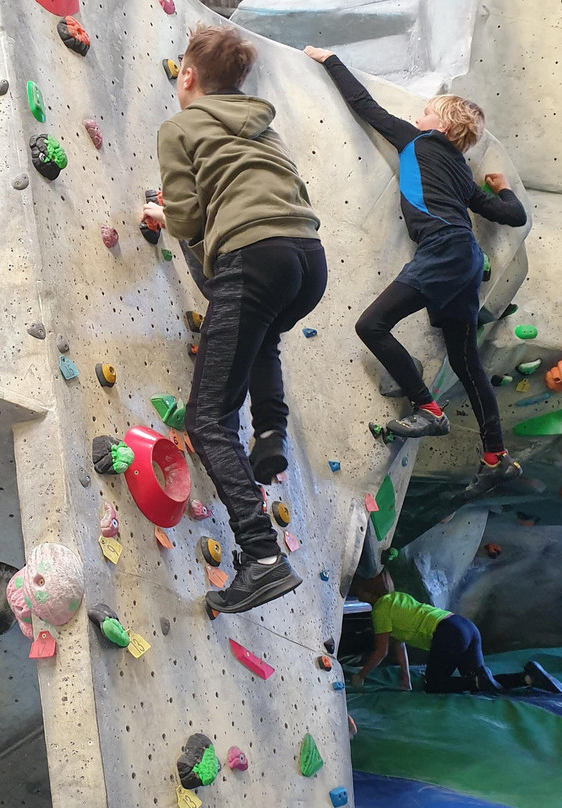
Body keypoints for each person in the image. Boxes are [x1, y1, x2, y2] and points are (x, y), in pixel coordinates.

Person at [143, 24, 327, 613]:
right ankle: (271, 428)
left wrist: (164, 211)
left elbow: (189, 223)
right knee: (263, 328)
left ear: (187, 77)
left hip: (253, 256)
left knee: (208, 421)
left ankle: (263, 556)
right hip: (306, 261)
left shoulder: (179, 127)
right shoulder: (261, 126)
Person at [305, 46, 528, 498]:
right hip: (465, 259)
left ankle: (428, 409)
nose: (418, 117)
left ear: (440, 127)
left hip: (443, 250)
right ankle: (495, 457)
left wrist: (329, 59)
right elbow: (513, 216)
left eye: (425, 113)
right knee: (467, 365)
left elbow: (366, 107)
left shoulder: (417, 141)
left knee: (371, 324)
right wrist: (503, 189)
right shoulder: (463, 174)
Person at [349, 571, 562, 695]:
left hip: (448, 633)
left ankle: (478, 682)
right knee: (480, 679)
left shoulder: (379, 609)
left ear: (367, 592)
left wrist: (360, 676)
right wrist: (405, 676)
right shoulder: (397, 598)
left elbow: (381, 651)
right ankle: (528, 677)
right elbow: (399, 642)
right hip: (463, 625)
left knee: (434, 685)